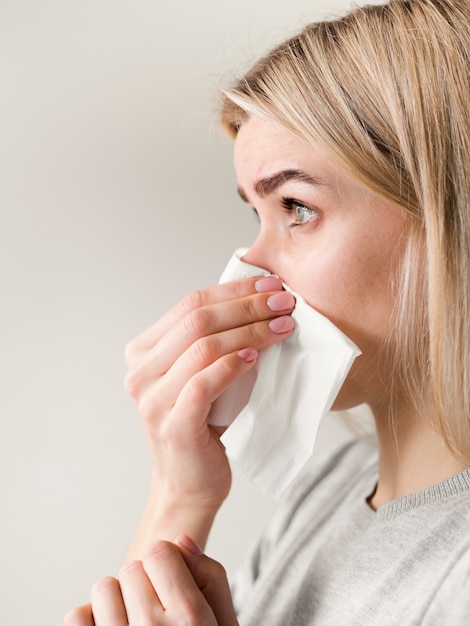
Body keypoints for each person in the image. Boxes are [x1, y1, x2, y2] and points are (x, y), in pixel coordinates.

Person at [65, 0, 470, 623]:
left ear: (447, 214)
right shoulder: (328, 490)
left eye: (296, 208)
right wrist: (181, 491)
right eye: (255, 214)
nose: (251, 266)